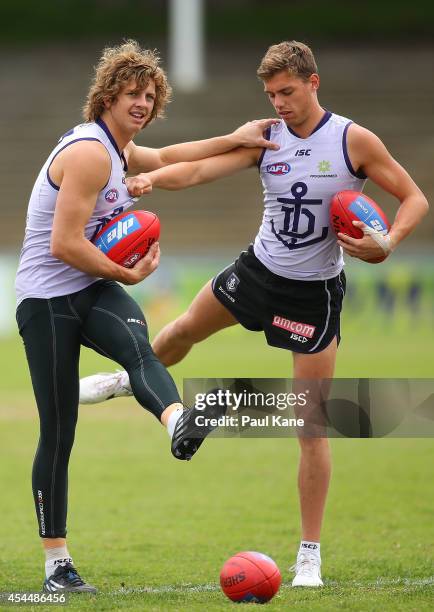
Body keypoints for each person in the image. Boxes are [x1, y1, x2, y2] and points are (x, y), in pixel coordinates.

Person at [79, 40, 429, 587]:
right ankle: (131, 380)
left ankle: (308, 555)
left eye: (287, 92)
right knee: (182, 330)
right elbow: (198, 172)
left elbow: (414, 199)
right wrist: (151, 180)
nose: (279, 104)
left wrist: (389, 243)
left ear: (314, 83)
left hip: (313, 293)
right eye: (271, 94)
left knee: (311, 426)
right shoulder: (269, 136)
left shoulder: (353, 139)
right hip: (258, 271)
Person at [15, 39, 280, 594]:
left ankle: (177, 422)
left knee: (141, 349)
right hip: (46, 300)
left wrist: (235, 138)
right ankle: (56, 565)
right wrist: (127, 275)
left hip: (91, 286)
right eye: (132, 93)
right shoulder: (89, 153)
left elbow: (166, 158)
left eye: (150, 95)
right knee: (59, 433)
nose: (142, 102)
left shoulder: (120, 149)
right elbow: (63, 243)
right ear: (107, 96)